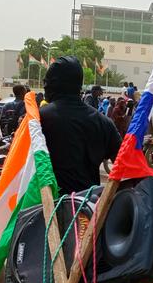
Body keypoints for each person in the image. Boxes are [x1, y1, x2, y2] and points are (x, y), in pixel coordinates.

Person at [40, 56, 122, 195]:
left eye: (47, 81)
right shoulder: (103, 123)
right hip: (89, 208)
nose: (45, 86)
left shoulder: (39, 119)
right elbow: (125, 168)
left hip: (48, 210)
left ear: (57, 83)